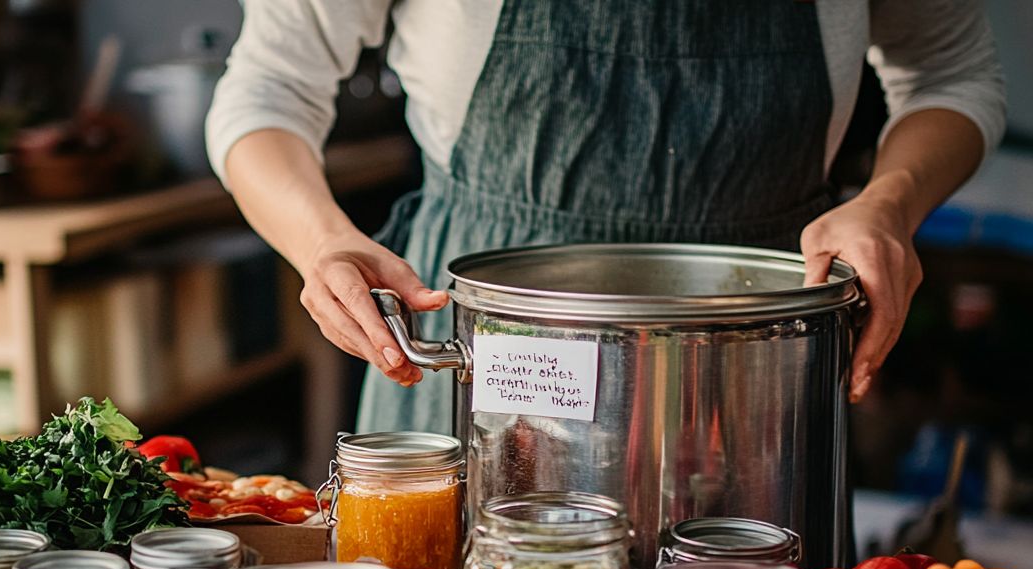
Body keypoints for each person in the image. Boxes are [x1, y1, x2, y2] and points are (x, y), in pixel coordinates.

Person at [207, 1, 1005, 436]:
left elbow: (953, 72)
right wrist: (322, 240)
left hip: (755, 372)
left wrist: (889, 202)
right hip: (476, 358)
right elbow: (270, 85)